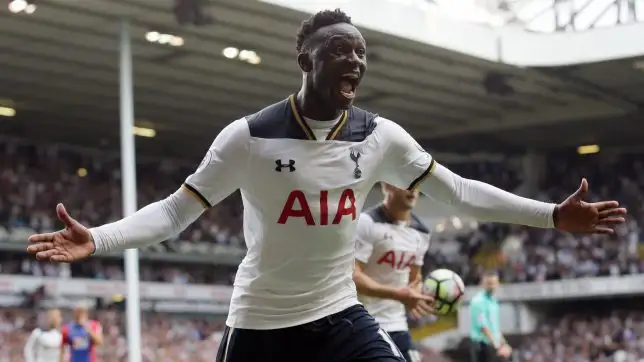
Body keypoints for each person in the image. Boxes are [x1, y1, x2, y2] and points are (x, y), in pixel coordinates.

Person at [27, 8, 626, 362]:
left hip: (339, 311)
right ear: (306, 59)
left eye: (362, 53)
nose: (356, 61)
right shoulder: (249, 137)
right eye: (340, 50)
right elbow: (173, 213)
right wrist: (98, 239)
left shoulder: (380, 137)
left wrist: (552, 215)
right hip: (261, 322)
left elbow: (460, 191)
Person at [353, 183, 432, 362]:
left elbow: (414, 279)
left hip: (398, 325)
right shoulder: (367, 222)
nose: (413, 189)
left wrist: (418, 297)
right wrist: (398, 294)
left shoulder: (422, 232)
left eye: (417, 184)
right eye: (406, 183)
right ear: (386, 186)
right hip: (365, 323)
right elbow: (353, 276)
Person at [469, 271, 511, 362]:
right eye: (489, 283)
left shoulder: (493, 301)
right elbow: (484, 327)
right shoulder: (478, 301)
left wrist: (504, 344)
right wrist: (498, 346)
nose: (492, 286)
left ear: (498, 284)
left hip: (493, 345)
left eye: (494, 283)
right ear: (483, 284)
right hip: (482, 346)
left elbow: (495, 328)